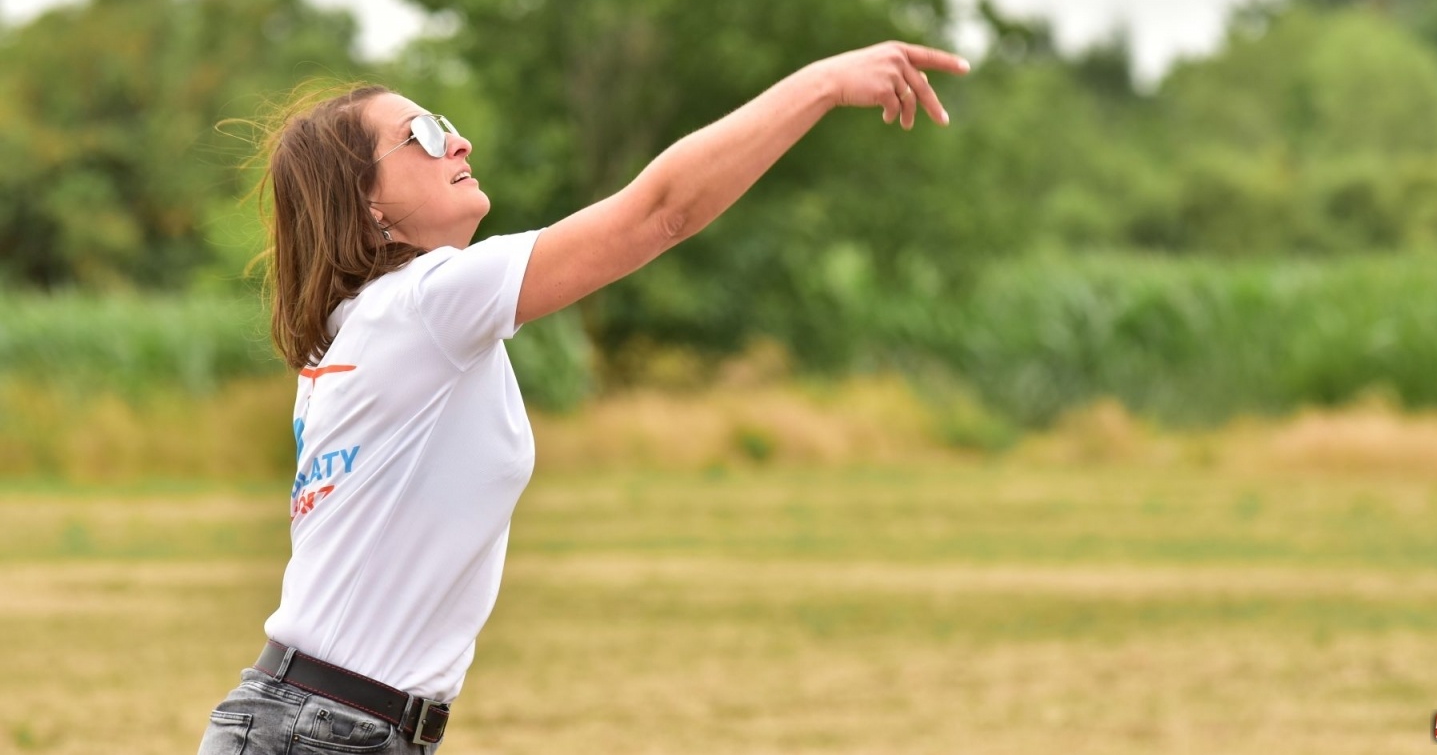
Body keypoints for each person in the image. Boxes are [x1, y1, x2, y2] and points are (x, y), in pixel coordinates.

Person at [195, 41, 968, 754]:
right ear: (368, 205)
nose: (457, 142)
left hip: (320, 723)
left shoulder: (359, 331)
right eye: (423, 135)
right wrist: (827, 82)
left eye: (448, 126)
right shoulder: (421, 303)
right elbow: (659, 213)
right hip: (322, 731)